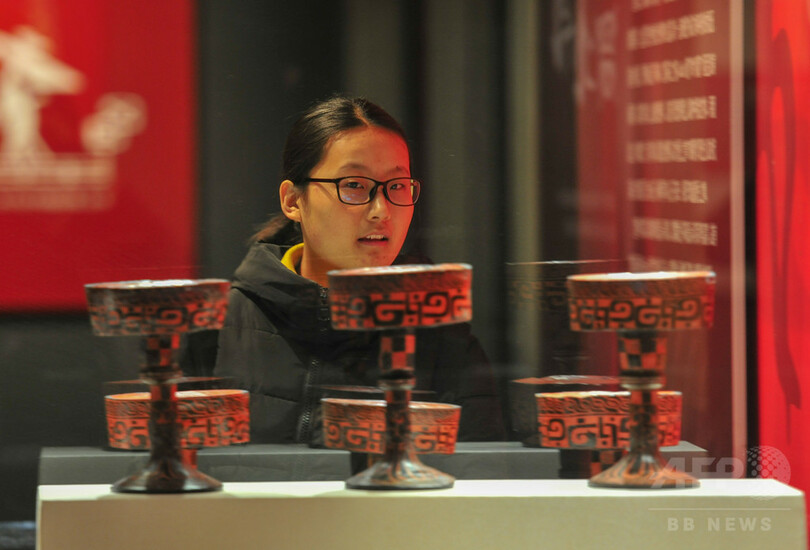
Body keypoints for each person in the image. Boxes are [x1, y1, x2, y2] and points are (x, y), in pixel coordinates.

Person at [213, 95, 504, 444]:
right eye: (354, 185)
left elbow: (479, 470)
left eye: (397, 186)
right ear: (293, 201)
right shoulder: (220, 323)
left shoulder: (443, 339)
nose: (381, 210)